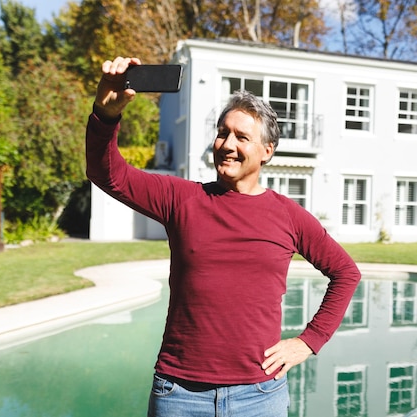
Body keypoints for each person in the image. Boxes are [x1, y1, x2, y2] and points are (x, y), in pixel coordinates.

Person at [86, 57, 362, 417]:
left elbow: (346, 272)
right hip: (179, 394)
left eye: (242, 137)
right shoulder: (181, 199)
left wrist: (309, 342)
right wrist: (106, 117)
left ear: (267, 152)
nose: (227, 143)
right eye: (222, 132)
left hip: (260, 395)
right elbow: (109, 176)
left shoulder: (289, 217)